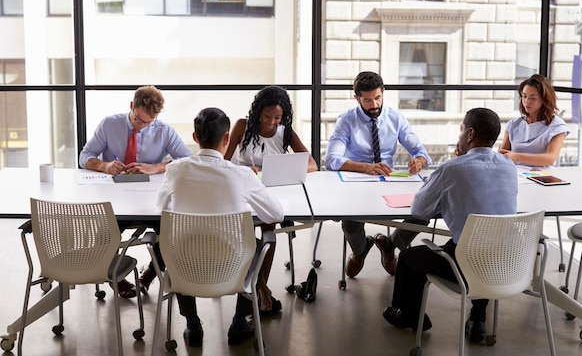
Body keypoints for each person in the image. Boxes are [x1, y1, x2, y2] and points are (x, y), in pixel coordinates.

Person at [382, 107, 518, 343]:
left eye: (461, 130)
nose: (459, 136)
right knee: (480, 245)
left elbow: (419, 210)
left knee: (409, 258)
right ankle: (477, 319)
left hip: (467, 266)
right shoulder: (509, 166)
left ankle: (410, 316)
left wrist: (450, 170)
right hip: (507, 263)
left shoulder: (452, 169)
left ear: (470, 134)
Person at [156, 107, 284, 347]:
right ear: (227, 138)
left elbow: (162, 207)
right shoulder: (242, 174)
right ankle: (238, 323)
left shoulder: (175, 170)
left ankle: (193, 323)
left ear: (195, 138)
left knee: (176, 250)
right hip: (232, 266)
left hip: (186, 266)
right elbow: (276, 213)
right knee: (256, 245)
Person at [79, 85, 192, 298]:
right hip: (116, 200)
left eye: (148, 122)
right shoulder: (109, 124)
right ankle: (116, 278)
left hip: (151, 201)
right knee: (105, 232)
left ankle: (149, 274)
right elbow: (85, 156)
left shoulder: (163, 131)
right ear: (132, 106)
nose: (142, 126)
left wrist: (156, 166)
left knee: (170, 230)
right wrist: (104, 166)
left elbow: (187, 161)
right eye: (138, 119)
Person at [324, 71, 431, 278]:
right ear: (357, 98)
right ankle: (360, 251)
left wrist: (419, 161)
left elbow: (422, 151)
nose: (374, 104)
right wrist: (366, 167)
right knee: (350, 220)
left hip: (388, 182)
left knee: (422, 213)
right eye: (367, 100)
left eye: (378, 98)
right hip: (355, 182)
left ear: (383, 93)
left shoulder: (395, 117)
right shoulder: (346, 121)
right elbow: (331, 160)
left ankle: (389, 245)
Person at [224, 85, 318, 314]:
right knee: (247, 230)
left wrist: (284, 169)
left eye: (277, 117)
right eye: (267, 116)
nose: (272, 122)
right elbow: (224, 161)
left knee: (269, 225)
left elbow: (313, 164)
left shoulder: (284, 131)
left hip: (271, 190)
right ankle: (248, 284)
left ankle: (261, 284)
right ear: (258, 112)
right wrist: (245, 171)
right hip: (243, 190)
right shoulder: (242, 126)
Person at [499, 74, 570, 166]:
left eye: (533, 98)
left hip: (544, 176)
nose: (527, 101)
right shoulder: (513, 125)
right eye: (524, 96)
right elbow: (502, 155)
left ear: (544, 99)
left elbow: (550, 159)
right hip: (516, 174)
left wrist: (516, 157)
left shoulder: (557, 127)